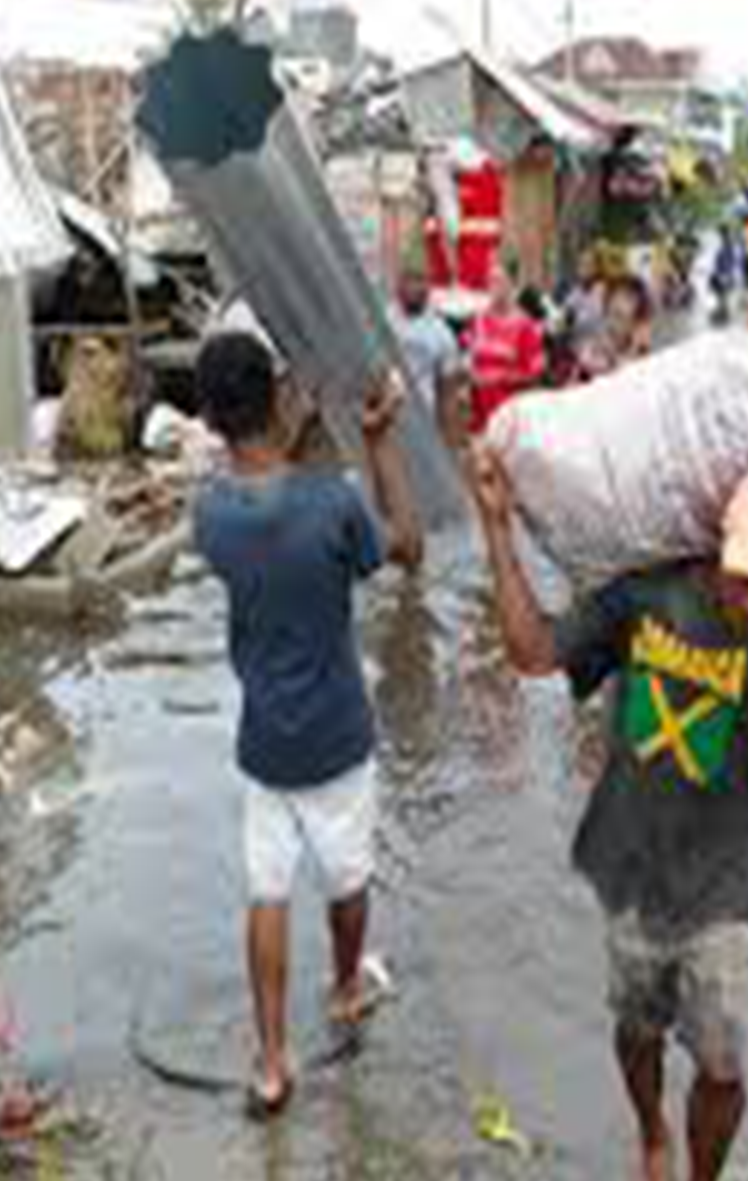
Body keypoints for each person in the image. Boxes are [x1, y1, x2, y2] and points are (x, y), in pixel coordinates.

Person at [468, 456, 748, 1181]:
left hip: (724, 872)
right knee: (637, 1027)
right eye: (747, 576)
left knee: (723, 1064)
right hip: (630, 854)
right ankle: (651, 1135)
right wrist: (495, 526)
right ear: (719, 539)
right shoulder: (646, 595)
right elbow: (532, 650)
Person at [191, 331, 424, 1121]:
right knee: (347, 879)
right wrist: (380, 442)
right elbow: (410, 548)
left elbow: (262, 500)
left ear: (214, 421)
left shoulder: (210, 515)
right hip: (337, 737)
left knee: (267, 889)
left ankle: (269, 1060)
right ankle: (349, 984)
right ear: (279, 398)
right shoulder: (331, 504)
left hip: (265, 744)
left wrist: (296, 436)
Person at [464, 257, 546, 436]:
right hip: (479, 421)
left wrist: (499, 378)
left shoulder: (526, 326)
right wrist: (469, 373)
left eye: (500, 281)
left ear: (513, 285)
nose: (494, 287)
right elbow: (468, 356)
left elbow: (536, 376)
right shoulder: (477, 320)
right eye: (491, 281)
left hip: (510, 422)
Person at [393, 268, 471, 451]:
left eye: (420, 281)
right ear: (399, 286)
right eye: (410, 280)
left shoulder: (441, 332)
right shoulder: (382, 321)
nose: (415, 287)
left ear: (428, 288)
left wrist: (450, 445)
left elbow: (448, 394)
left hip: (424, 424)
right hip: (388, 420)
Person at [580, 274, 654, 380]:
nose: (619, 302)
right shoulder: (593, 348)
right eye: (615, 296)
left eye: (628, 298)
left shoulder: (641, 349)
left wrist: (636, 347)